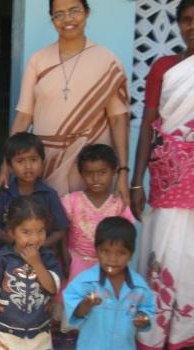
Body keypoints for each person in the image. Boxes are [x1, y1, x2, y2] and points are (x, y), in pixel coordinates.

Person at [0, 0, 130, 202]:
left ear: (87, 12)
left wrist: (123, 171)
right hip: (48, 161)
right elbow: (23, 117)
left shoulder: (107, 61)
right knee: (48, 224)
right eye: (59, 14)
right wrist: (5, 167)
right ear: (52, 18)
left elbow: (118, 120)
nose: (67, 19)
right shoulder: (38, 61)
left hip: (90, 165)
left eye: (74, 11)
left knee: (86, 227)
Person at [131, 1, 194, 348]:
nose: (191, 26)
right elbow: (149, 126)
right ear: (177, 25)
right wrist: (136, 180)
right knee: (164, 250)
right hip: (168, 178)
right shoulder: (164, 68)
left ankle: (186, 333)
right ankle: (154, 334)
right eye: (185, 20)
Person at [63, 217, 155, 350]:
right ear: (97, 250)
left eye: (121, 253)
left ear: (131, 255)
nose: (112, 259)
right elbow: (76, 312)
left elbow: (147, 309)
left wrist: (143, 318)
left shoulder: (139, 287)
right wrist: (85, 305)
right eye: (106, 251)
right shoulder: (85, 282)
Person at [0, 196, 62, 350]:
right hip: (7, 333)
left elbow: (52, 288)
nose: (35, 239)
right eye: (26, 232)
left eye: (40, 231)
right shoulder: (2, 259)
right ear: (11, 232)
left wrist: (37, 264)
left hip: (40, 333)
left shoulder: (47, 257)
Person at [62, 144, 134, 283]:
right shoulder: (71, 201)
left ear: (113, 172)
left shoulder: (119, 205)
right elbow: (62, 232)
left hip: (109, 267)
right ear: (81, 173)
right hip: (76, 264)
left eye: (102, 172)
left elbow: (127, 237)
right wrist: (66, 260)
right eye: (89, 173)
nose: (95, 178)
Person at [0, 133, 69, 250]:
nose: (28, 166)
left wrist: (40, 247)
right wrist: (16, 243)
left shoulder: (49, 195)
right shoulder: (4, 194)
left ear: (42, 162)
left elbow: (61, 229)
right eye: (20, 161)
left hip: (43, 255)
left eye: (33, 160)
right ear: (10, 166)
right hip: (10, 253)